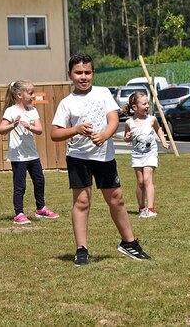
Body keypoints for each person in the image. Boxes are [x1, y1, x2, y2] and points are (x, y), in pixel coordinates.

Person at [51, 52, 151, 266]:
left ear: (93, 73)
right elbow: (55, 133)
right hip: (78, 157)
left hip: (104, 156)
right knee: (82, 202)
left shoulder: (103, 93)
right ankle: (81, 249)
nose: (83, 77)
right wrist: (75, 129)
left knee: (116, 199)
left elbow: (113, 119)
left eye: (87, 72)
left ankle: (129, 243)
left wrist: (104, 135)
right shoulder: (67, 103)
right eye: (78, 72)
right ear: (70, 74)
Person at [0, 80, 60, 225]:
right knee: (20, 186)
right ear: (20, 95)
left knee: (39, 181)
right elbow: (1, 129)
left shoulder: (33, 110)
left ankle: (41, 209)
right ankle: (19, 214)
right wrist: (12, 125)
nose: (33, 96)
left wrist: (29, 127)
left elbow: (39, 130)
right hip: (18, 157)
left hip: (32, 155)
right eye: (30, 93)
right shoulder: (11, 111)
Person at [123, 91, 170, 218]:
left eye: (148, 103)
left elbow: (158, 130)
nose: (147, 106)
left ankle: (150, 209)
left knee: (147, 179)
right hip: (137, 155)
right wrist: (127, 137)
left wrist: (163, 141)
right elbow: (126, 138)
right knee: (140, 182)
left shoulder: (151, 119)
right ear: (134, 107)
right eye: (144, 104)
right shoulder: (129, 123)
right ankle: (141, 207)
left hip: (150, 153)